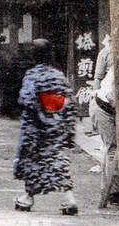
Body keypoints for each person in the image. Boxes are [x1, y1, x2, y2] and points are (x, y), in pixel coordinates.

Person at [13, 39, 79, 215]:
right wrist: (68, 129)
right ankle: (68, 198)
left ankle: (28, 197)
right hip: (57, 125)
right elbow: (69, 103)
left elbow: (27, 100)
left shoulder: (32, 75)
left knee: (32, 161)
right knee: (56, 160)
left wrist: (36, 121)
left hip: (37, 127)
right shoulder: (59, 76)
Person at [90, 34, 118, 209]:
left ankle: (113, 190)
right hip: (104, 106)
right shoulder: (108, 54)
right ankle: (107, 193)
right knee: (112, 149)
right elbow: (104, 88)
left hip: (110, 105)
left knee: (114, 149)